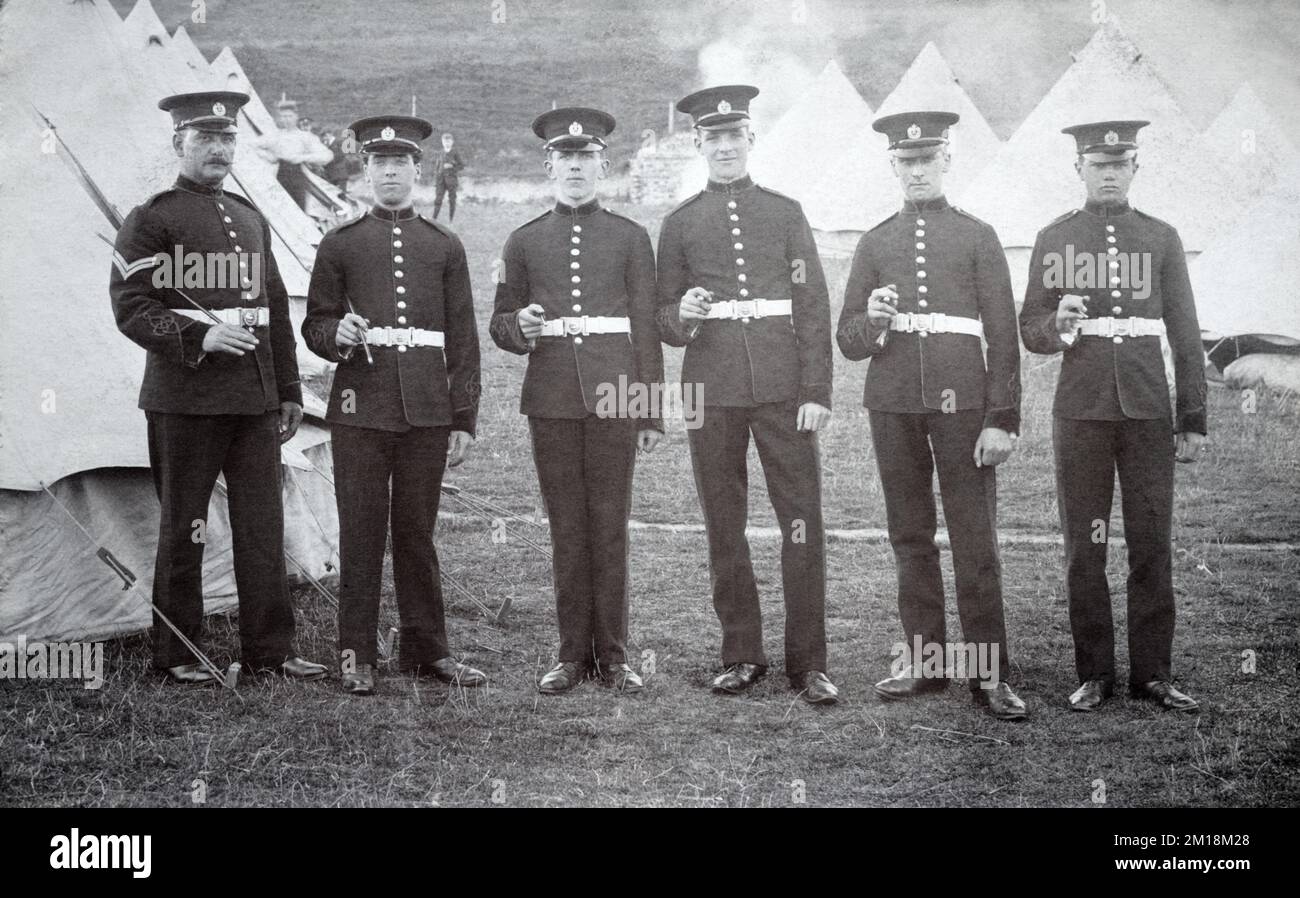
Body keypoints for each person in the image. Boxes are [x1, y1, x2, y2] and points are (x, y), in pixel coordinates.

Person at [109, 90, 325, 685]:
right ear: (178, 143)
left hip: (254, 400)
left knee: (263, 525)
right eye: (205, 139)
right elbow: (131, 306)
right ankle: (177, 652)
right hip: (186, 400)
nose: (219, 150)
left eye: (227, 139)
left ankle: (270, 651)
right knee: (186, 526)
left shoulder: (250, 217)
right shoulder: (152, 217)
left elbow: (275, 309)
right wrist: (197, 336)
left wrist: (288, 390)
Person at [836, 111, 1027, 720]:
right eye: (905, 161)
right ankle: (924, 662)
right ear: (892, 165)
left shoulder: (977, 236)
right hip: (892, 404)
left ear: (947, 160)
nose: (916, 170)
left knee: (975, 537)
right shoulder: (874, 241)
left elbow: (1003, 335)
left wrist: (1003, 418)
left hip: (964, 407)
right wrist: (875, 320)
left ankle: (987, 672)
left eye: (927, 158)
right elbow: (847, 339)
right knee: (910, 534)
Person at [656, 84, 838, 705]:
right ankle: (740, 653)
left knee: (800, 520)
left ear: (751, 140)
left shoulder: (785, 212)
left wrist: (817, 388)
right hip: (710, 388)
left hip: (785, 388)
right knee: (723, 521)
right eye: (713, 138)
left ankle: (808, 662)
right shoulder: (680, 222)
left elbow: (812, 305)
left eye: (734, 136)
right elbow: (662, 319)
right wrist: (681, 313)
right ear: (700, 145)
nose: (725, 146)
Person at [1019, 120, 1207, 713]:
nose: (1108, 173)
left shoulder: (1161, 238)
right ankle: (1095, 673)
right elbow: (1031, 327)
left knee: (1152, 542)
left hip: (1149, 411)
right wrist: (1059, 325)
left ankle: (1152, 673)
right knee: (1085, 546)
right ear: (1078, 168)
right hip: (1081, 412)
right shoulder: (1056, 239)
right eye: (1097, 164)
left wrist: (1192, 418)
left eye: (1118, 164)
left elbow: (1184, 331)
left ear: (1134, 169)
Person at [301, 115, 486, 696]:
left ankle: (426, 650)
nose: (389, 172)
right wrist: (338, 336)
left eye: (400, 163)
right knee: (360, 532)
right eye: (378, 163)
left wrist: (464, 418)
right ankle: (355, 654)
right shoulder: (340, 243)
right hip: (360, 410)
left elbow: (464, 338)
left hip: (428, 411)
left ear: (416, 171)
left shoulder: (444, 245)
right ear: (364, 171)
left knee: (416, 532)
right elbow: (313, 323)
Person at [489, 107, 663, 695]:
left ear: (603, 164)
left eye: (586, 157)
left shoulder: (631, 237)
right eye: (565, 158)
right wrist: (522, 324)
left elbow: (644, 326)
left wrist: (650, 410)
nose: (575, 167)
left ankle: (612, 655)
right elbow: (499, 323)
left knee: (609, 525)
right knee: (567, 525)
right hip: (553, 397)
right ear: (549, 165)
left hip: (617, 396)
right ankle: (570, 654)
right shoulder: (524, 239)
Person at [255, 95, 333, 211]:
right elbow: (252, 145)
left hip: (297, 177)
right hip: (279, 176)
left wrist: (303, 157)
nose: (286, 119)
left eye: (289, 116)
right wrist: (269, 156)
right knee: (279, 209)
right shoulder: (275, 135)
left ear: (296, 117)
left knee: (298, 209)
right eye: (283, 116)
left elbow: (327, 156)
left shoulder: (304, 136)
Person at [432, 132, 464, 222]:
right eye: (445, 141)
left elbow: (461, 166)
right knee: (438, 199)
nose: (446, 143)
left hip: (451, 179)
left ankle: (451, 220)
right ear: (442, 142)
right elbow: (437, 166)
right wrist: (437, 177)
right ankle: (434, 218)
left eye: (448, 141)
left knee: (452, 199)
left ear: (452, 142)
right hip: (440, 180)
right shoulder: (440, 153)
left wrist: (452, 167)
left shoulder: (455, 153)